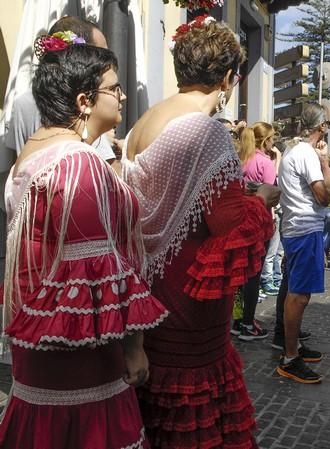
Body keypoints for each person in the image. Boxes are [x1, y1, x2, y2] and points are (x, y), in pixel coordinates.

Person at [0, 36, 167, 449]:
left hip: (38, 342)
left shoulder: (32, 153)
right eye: (114, 88)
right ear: (84, 101)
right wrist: (134, 349)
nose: (122, 95)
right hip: (80, 350)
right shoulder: (79, 164)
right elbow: (99, 272)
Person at [121, 16, 278, 448]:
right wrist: (262, 199)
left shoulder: (142, 123)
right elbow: (233, 228)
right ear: (228, 78)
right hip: (188, 304)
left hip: (145, 295)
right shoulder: (206, 133)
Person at [6, 16, 117, 163]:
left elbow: (16, 160)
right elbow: (110, 168)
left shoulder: (22, 102)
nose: (106, 61)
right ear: (82, 58)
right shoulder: (85, 106)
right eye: (101, 54)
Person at [276, 103, 330, 384]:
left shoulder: (291, 150)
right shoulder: (307, 154)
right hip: (305, 228)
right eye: (329, 125)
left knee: (295, 291)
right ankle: (289, 358)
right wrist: (325, 163)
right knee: (299, 295)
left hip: (295, 227)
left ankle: (293, 347)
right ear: (320, 127)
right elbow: (324, 197)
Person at [231, 122, 278, 340]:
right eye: (273, 138)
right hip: (260, 221)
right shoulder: (265, 163)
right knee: (254, 273)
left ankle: (237, 319)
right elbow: (270, 195)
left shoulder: (241, 160)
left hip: (240, 220)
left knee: (240, 271)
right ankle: (249, 323)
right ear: (266, 140)